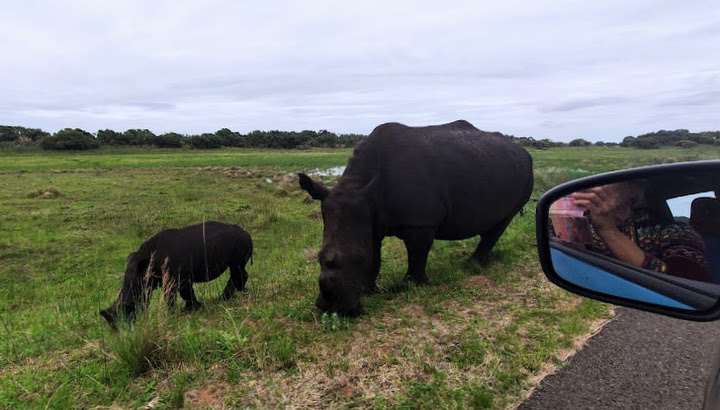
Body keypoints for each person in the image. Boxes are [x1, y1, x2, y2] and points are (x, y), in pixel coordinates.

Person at [570, 181, 711, 282]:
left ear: (633, 189)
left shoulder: (677, 232)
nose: (594, 186)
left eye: (607, 179)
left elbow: (685, 288)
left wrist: (609, 231)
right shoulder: (584, 224)